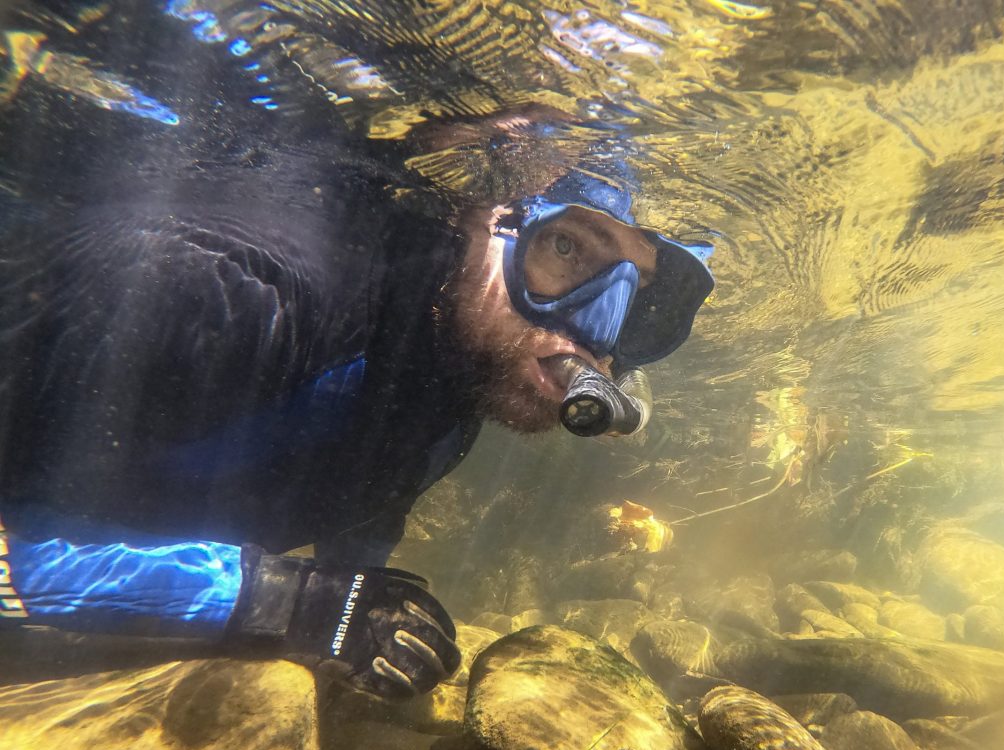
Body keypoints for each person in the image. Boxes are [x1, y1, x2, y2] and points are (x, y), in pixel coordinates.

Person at [0, 6, 714, 700]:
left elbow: (362, 504)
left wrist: (361, 609)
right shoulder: (231, 292)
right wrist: (293, 607)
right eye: (564, 249)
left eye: (634, 304)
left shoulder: (458, 378)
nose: (587, 334)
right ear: (486, 220)